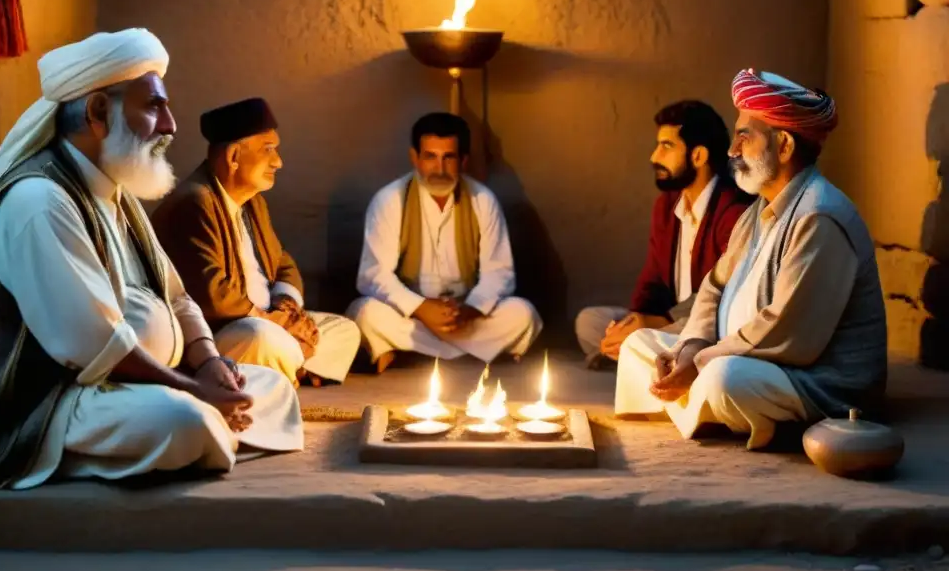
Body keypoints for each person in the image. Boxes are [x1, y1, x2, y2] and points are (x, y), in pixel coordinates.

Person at [0, 29, 303, 490]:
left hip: (144, 383)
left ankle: (202, 429)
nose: (171, 124)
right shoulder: (39, 200)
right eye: (154, 106)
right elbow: (92, 345)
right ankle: (191, 431)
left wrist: (209, 362)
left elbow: (177, 297)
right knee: (185, 420)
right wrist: (190, 388)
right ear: (97, 112)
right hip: (56, 402)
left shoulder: (115, 191)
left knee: (272, 390)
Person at [614, 69, 887, 450]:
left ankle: (713, 406)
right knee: (639, 345)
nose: (732, 150)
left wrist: (698, 363)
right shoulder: (757, 210)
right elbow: (713, 288)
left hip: (809, 379)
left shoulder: (818, 216)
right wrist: (690, 349)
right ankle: (707, 407)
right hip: (733, 352)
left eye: (745, 136)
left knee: (724, 379)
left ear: (785, 146)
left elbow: (787, 333)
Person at [152, 97, 361, 387]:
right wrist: (275, 322)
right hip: (221, 333)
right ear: (233, 157)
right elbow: (212, 294)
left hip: (271, 319)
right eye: (268, 150)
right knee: (261, 338)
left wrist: (287, 308)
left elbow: (283, 263)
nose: (278, 161)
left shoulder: (254, 203)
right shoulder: (195, 202)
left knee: (344, 330)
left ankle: (284, 368)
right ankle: (288, 367)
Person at [347, 112, 541, 372]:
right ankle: (475, 355)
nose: (439, 169)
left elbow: (500, 273)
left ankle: (415, 354)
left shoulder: (482, 200)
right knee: (365, 313)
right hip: (412, 315)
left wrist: (469, 310)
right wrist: (421, 308)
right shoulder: (390, 200)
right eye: (430, 157)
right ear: (414, 158)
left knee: (522, 314)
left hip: (464, 316)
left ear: (462, 160)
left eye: (448, 158)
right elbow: (374, 275)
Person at [576, 101, 752, 366]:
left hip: (703, 324)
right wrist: (635, 320)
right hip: (667, 323)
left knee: (690, 335)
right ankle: (639, 355)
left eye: (667, 146)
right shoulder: (668, 205)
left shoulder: (733, 210)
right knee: (590, 322)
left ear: (698, 156)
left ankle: (639, 357)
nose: (654, 157)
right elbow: (653, 277)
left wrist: (659, 323)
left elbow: (721, 293)